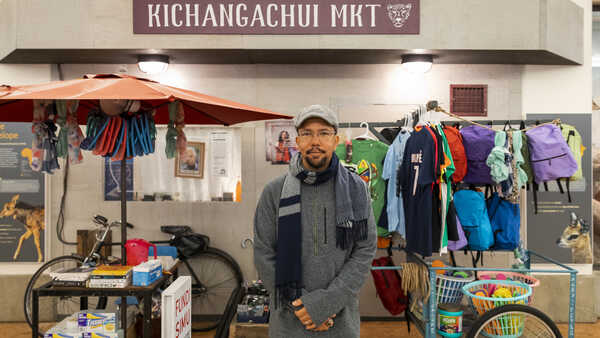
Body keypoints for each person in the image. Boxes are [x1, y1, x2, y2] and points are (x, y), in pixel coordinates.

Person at [254, 105, 377, 337]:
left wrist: (326, 303)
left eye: (323, 133)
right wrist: (301, 308)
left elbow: (365, 249)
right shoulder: (274, 191)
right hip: (289, 322)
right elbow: (263, 253)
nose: (315, 141)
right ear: (298, 141)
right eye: (307, 133)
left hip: (340, 320)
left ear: (336, 140)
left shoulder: (356, 188)